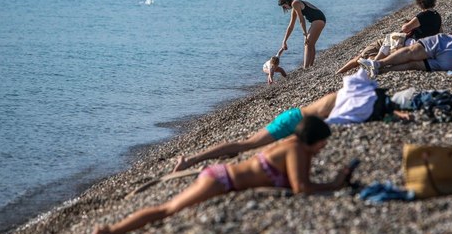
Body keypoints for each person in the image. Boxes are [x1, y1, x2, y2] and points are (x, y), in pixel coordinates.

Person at [82, 116, 354, 234]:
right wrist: (335, 184)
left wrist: (333, 183)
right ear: (314, 139)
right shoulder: (294, 149)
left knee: (170, 210)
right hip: (220, 180)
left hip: (226, 181)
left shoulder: (301, 151)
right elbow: (301, 188)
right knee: (169, 210)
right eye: (323, 143)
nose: (324, 147)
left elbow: (301, 183)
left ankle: (109, 231)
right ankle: (108, 230)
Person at [172, 70, 409, 173]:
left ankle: (210, 164)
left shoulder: (355, 97)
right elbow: (363, 111)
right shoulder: (352, 100)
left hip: (296, 119)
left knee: (251, 150)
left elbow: (370, 109)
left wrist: (395, 115)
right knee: (247, 144)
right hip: (292, 120)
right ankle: (191, 160)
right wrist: (394, 114)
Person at [278, 0, 326, 68]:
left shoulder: (295, 3)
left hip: (318, 20)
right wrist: (284, 41)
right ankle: (311, 66)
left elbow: (301, 20)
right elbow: (291, 26)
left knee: (307, 43)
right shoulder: (294, 8)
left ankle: (305, 67)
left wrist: (305, 33)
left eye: (284, 6)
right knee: (311, 44)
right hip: (318, 20)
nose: (285, 8)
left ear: (287, 2)